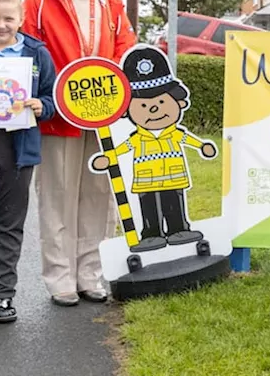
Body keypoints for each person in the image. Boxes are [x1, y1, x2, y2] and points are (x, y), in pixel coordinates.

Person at [23, 0, 137, 306]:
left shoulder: (112, 4)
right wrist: (52, 95)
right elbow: (31, 53)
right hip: (58, 117)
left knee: (99, 197)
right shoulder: (39, 2)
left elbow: (124, 50)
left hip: (103, 117)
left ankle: (91, 275)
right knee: (57, 197)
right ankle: (61, 279)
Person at [0, 0, 56, 324]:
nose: (1, 25)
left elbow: (53, 97)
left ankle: (4, 295)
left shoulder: (36, 54)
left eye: (9, 18)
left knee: (10, 225)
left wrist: (41, 105)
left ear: (22, 19)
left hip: (20, 149)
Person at [89, 47, 218, 251]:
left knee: (174, 202)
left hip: (173, 177)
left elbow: (188, 139)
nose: (154, 109)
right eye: (142, 105)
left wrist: (202, 146)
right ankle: (151, 234)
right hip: (146, 180)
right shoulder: (138, 138)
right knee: (148, 207)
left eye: (161, 101)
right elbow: (123, 148)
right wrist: (108, 158)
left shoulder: (173, 133)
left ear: (180, 102)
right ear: (127, 111)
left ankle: (179, 229)